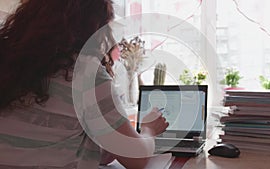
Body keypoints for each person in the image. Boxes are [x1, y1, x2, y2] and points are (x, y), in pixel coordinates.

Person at [0, 0, 169, 169]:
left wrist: (98, 145)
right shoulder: (85, 74)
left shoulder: (8, 64)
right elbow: (136, 159)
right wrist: (149, 129)